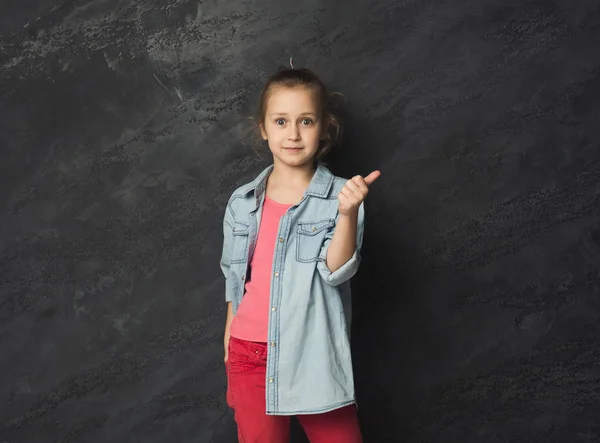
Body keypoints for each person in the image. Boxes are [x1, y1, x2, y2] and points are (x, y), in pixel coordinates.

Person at [219, 66, 380, 443]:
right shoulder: (241, 203)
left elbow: (336, 271)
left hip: (312, 353)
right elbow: (234, 279)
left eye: (306, 121)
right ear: (263, 128)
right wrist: (229, 344)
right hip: (249, 355)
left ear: (324, 128)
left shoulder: (342, 197)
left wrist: (346, 213)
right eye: (281, 121)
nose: (292, 134)